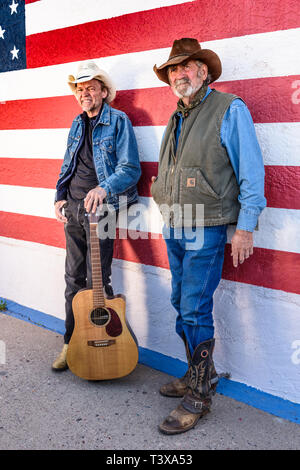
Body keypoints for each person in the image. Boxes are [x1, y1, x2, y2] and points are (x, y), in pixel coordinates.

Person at [151, 38, 266, 434]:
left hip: (206, 226)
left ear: (203, 71)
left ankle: (199, 393)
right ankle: (199, 372)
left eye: (186, 67)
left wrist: (246, 225)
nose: (179, 74)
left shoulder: (228, 109)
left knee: (194, 308)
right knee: (179, 302)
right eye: (173, 70)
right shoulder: (176, 116)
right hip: (175, 224)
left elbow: (251, 169)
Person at [52, 61, 141, 371]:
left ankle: (105, 345)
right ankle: (70, 342)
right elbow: (68, 164)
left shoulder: (118, 121)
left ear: (104, 92)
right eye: (80, 89)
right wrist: (59, 196)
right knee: (72, 279)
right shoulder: (77, 123)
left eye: (90, 87)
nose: (84, 93)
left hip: (99, 211)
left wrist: (103, 188)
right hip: (73, 208)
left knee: (98, 281)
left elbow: (130, 169)